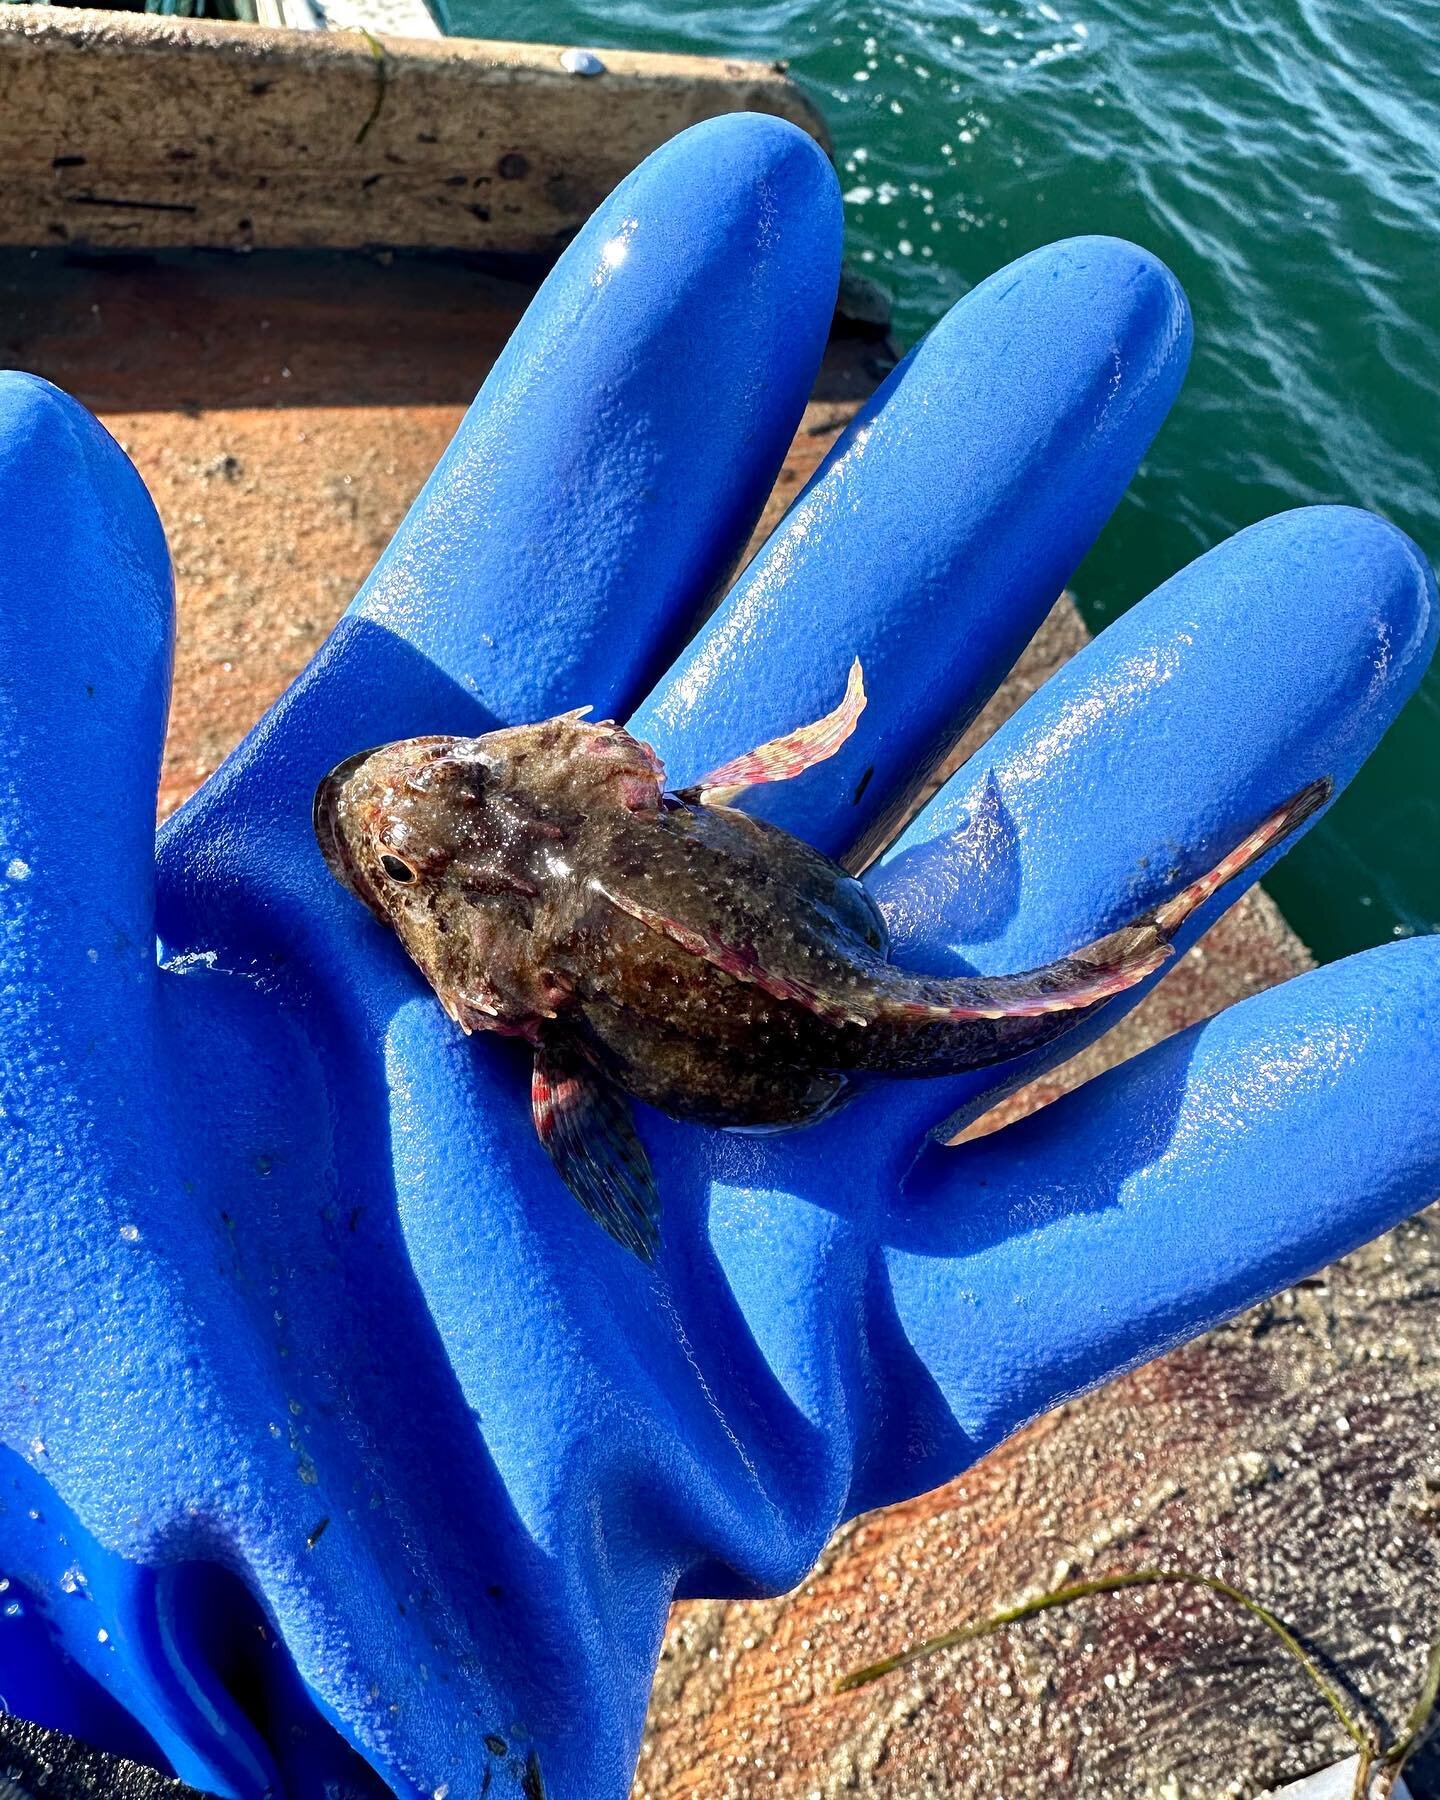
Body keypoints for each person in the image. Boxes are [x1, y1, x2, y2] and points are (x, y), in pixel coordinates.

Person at [0, 114, 1435, 1800]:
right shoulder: (573, 858)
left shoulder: (524, 990)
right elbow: (700, 843)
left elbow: (581, 1096)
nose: (433, 791)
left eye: (462, 782)